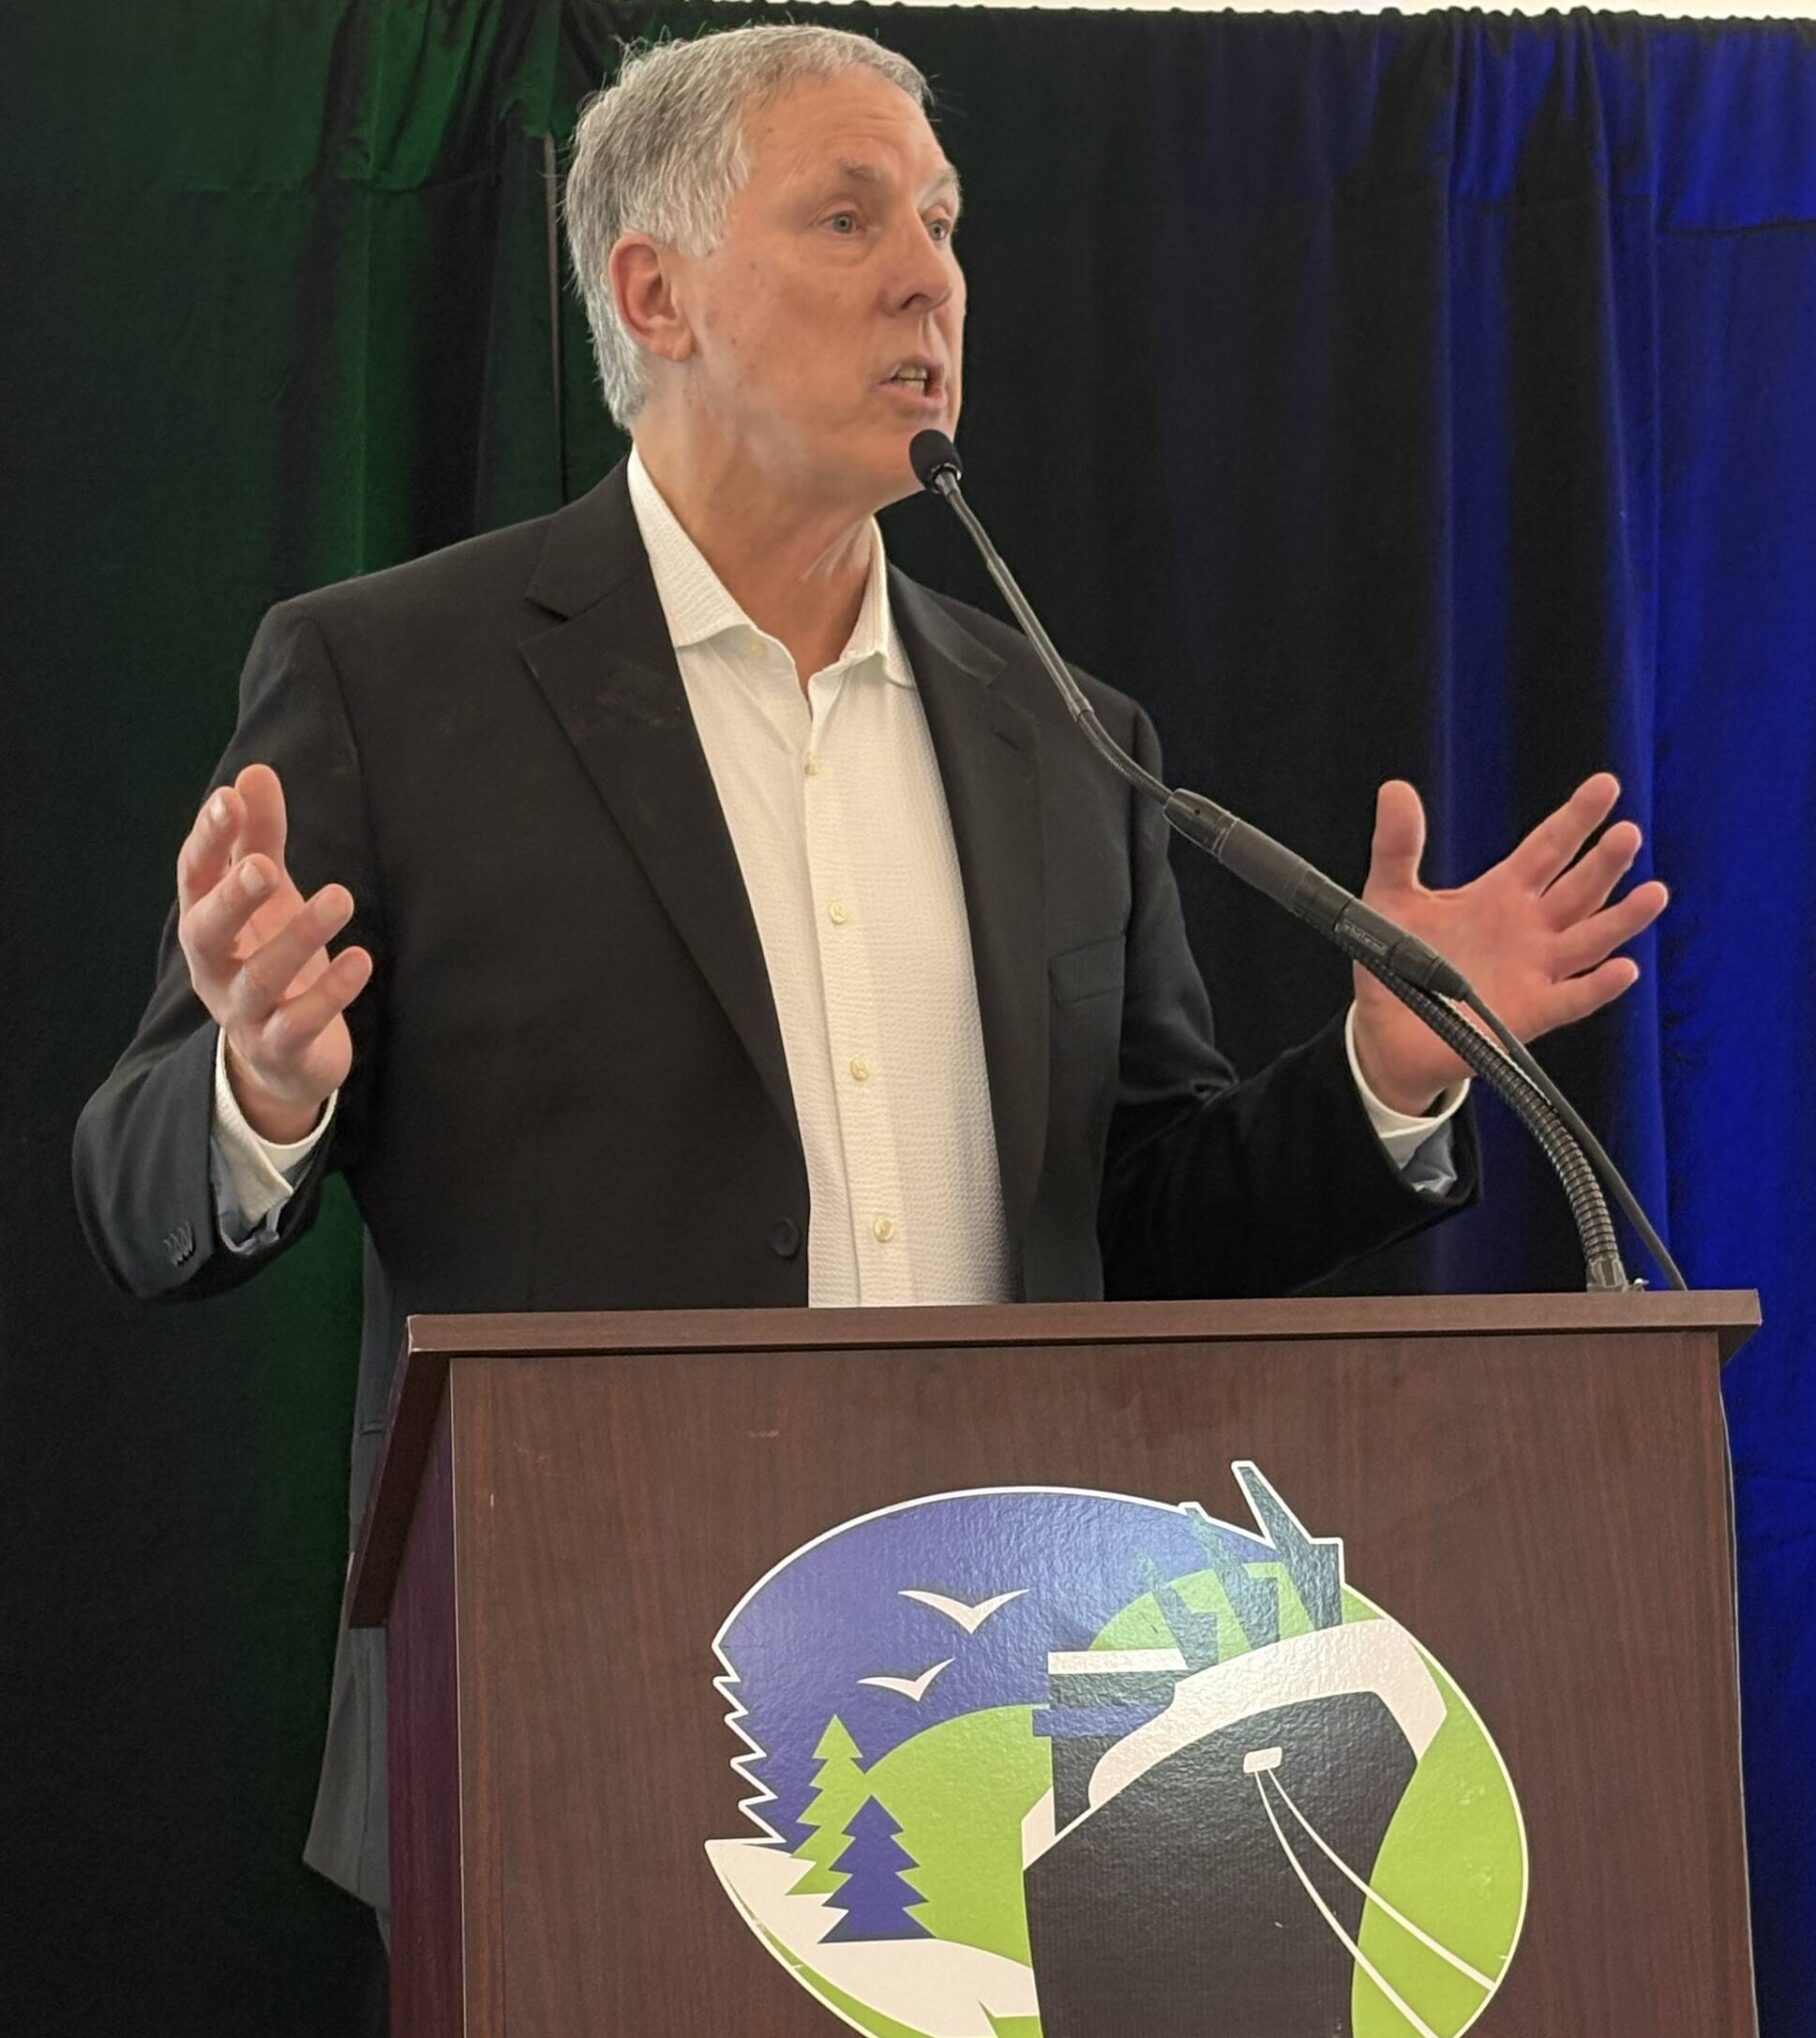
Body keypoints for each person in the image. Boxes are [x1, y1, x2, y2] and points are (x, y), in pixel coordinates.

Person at [72, 22, 1664, 1930]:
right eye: (848, 217)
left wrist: (1383, 1071)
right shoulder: (389, 679)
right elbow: (137, 1193)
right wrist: (257, 1085)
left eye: (941, 220)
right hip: (563, 1729)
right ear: (654, 291)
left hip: (1010, 1758)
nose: (931, 275)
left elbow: (1142, 1228)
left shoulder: (1063, 732)